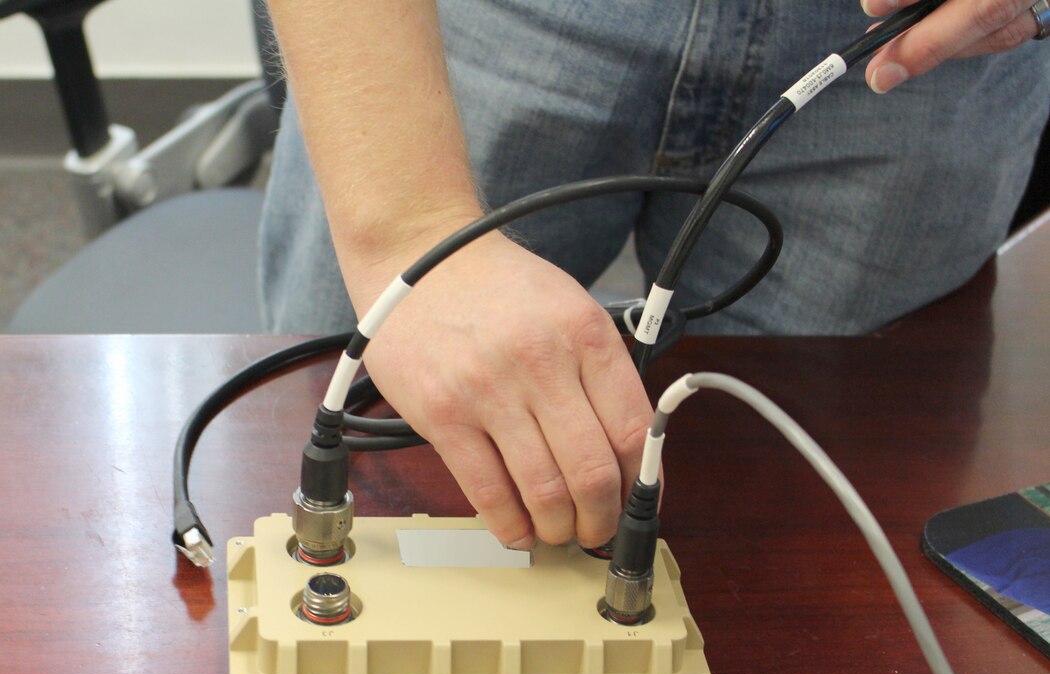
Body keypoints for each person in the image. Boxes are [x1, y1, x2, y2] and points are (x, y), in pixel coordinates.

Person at [259, 1, 1050, 552]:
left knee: (804, 549)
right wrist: (410, 227)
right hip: (451, 31)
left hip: (916, 55)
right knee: (365, 449)